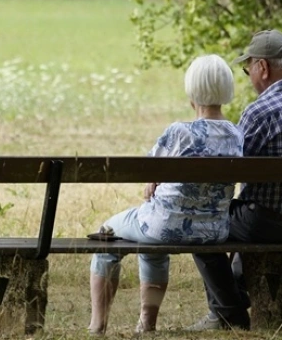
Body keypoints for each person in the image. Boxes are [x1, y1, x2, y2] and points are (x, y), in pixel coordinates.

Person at [187, 30, 282, 331]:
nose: (249, 77)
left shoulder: (260, 112)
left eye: (248, 70)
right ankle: (230, 303)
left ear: (262, 67)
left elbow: (232, 172)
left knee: (199, 221)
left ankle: (228, 312)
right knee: (246, 214)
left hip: (266, 224)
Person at [88, 54, 244, 335]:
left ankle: (97, 326)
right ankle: (145, 324)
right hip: (213, 231)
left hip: (164, 226)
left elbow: (148, 169)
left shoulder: (179, 132)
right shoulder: (236, 135)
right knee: (149, 239)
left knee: (107, 233)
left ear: (191, 92)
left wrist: (154, 180)